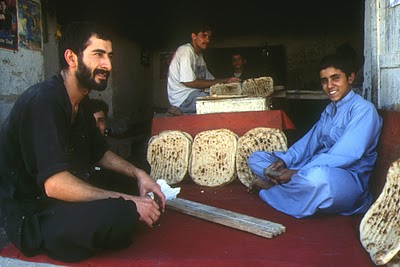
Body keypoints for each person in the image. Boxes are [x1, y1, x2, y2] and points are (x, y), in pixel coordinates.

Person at [0, 21, 165, 262]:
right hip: (34, 214)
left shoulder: (82, 103)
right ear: (71, 58)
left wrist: (140, 174)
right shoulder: (44, 101)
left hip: (60, 196)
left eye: (109, 56)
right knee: (120, 212)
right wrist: (127, 201)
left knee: (137, 173)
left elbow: (101, 153)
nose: (107, 65)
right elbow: (55, 185)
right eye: (98, 54)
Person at [247, 53, 383, 219]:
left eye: (335, 78)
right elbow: (308, 142)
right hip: (311, 168)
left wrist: (297, 172)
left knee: (317, 179)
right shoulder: (329, 110)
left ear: (350, 77)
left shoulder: (363, 110)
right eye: (324, 81)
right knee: (256, 159)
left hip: (345, 178)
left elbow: (346, 155)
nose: (329, 85)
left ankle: (271, 190)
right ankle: (290, 187)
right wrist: (284, 161)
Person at [167, 24, 241, 114]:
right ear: (194, 36)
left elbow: (210, 80)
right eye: (204, 36)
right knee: (221, 104)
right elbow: (189, 81)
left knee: (225, 97)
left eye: (209, 37)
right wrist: (223, 81)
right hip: (183, 98)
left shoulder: (199, 55)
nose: (207, 40)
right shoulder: (186, 51)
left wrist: (228, 81)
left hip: (194, 94)